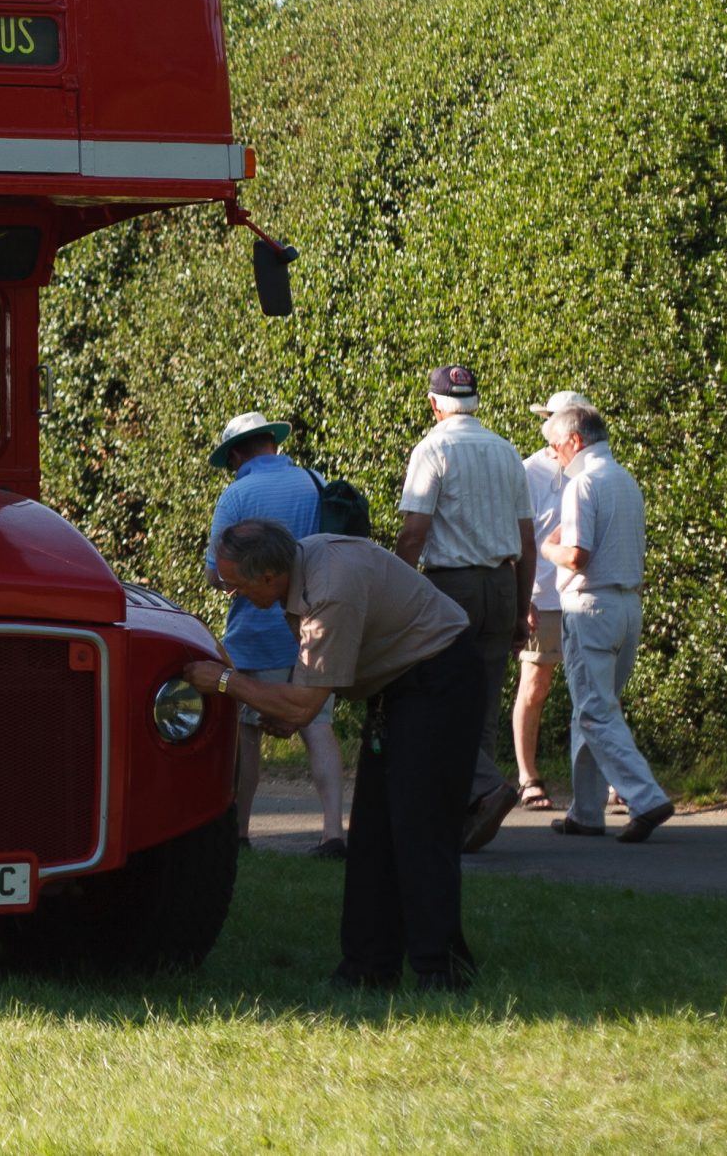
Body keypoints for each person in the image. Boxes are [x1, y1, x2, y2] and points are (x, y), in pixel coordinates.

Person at [187, 521, 480, 991]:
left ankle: (440, 971)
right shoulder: (304, 568)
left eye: (236, 586)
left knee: (418, 827)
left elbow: (304, 704)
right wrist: (290, 712)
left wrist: (225, 681)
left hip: (440, 681)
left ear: (268, 577)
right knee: (372, 831)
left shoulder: (329, 591)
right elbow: (309, 694)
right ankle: (367, 967)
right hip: (403, 685)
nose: (233, 596)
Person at [393, 364, 532, 852]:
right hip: (503, 583)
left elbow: (414, 531)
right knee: (484, 699)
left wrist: (394, 589)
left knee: (435, 696)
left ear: (434, 404)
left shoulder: (432, 448)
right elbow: (526, 538)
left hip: (452, 585)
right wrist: (520, 608)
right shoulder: (506, 450)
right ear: (475, 402)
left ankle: (485, 789)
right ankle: (471, 810)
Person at [202, 411, 346, 857]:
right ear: (273, 445)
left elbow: (215, 574)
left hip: (256, 632)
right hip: (314, 624)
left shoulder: (236, 495)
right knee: (318, 727)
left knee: (247, 733)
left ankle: (241, 831)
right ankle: (332, 831)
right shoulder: (315, 481)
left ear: (238, 454)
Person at [540, 405, 674, 843]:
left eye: (556, 446)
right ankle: (586, 812)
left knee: (595, 711)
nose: (555, 455)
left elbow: (577, 555)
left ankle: (646, 796)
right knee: (594, 710)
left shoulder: (582, 483)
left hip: (590, 606)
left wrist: (545, 550)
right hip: (627, 605)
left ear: (575, 441)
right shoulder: (624, 479)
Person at [512, 388, 587, 810]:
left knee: (594, 691)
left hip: (584, 593)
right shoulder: (528, 472)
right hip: (542, 595)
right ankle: (527, 776)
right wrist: (523, 599)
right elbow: (518, 540)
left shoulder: (592, 471)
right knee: (535, 686)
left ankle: (603, 779)